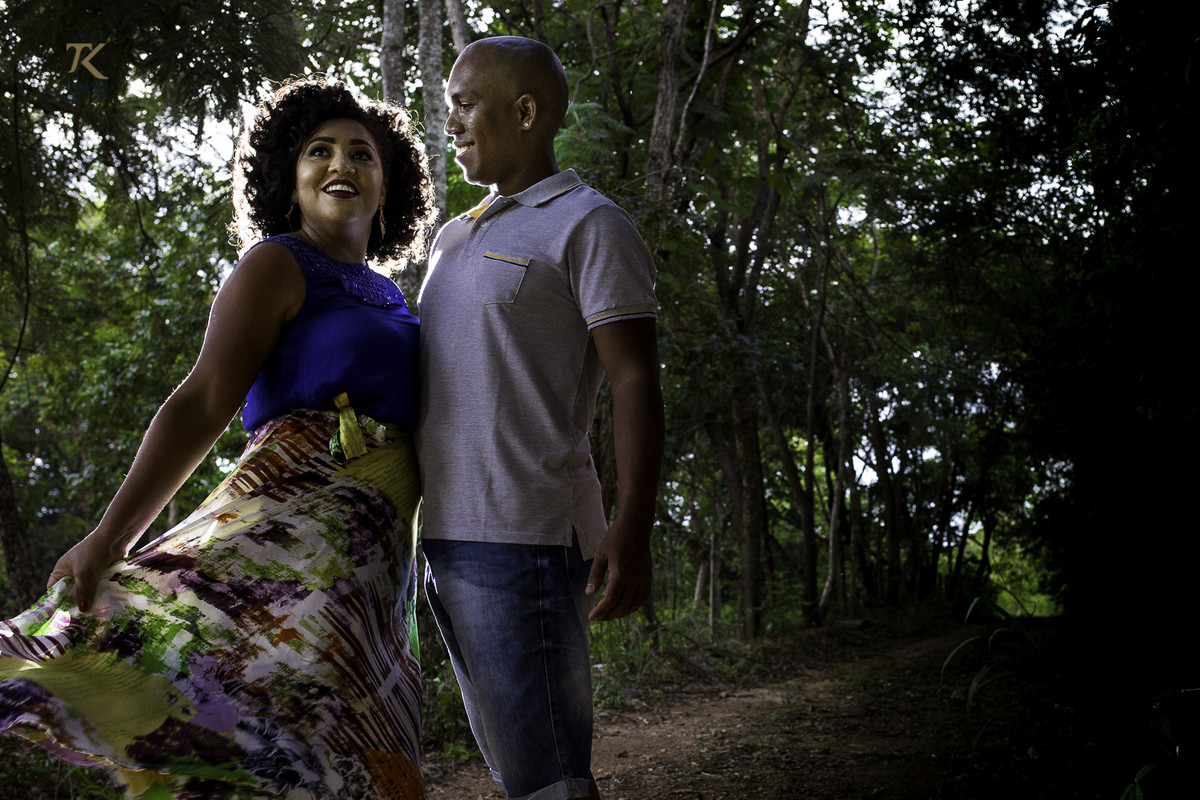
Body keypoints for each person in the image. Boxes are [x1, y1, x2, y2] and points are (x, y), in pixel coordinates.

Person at [0, 76, 436, 799]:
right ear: (289, 181)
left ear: (386, 187)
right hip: (291, 530)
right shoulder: (276, 263)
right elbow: (201, 400)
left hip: (377, 560)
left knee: (348, 727)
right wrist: (113, 535)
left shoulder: (391, 295)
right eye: (319, 151)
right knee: (277, 711)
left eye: (362, 154)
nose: (341, 164)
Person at [416, 36, 665, 800]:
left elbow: (635, 379)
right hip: (444, 543)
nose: (450, 122)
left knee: (549, 779)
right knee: (517, 774)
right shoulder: (455, 233)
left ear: (525, 112)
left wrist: (633, 524)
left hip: (525, 541)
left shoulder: (589, 224)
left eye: (465, 104)